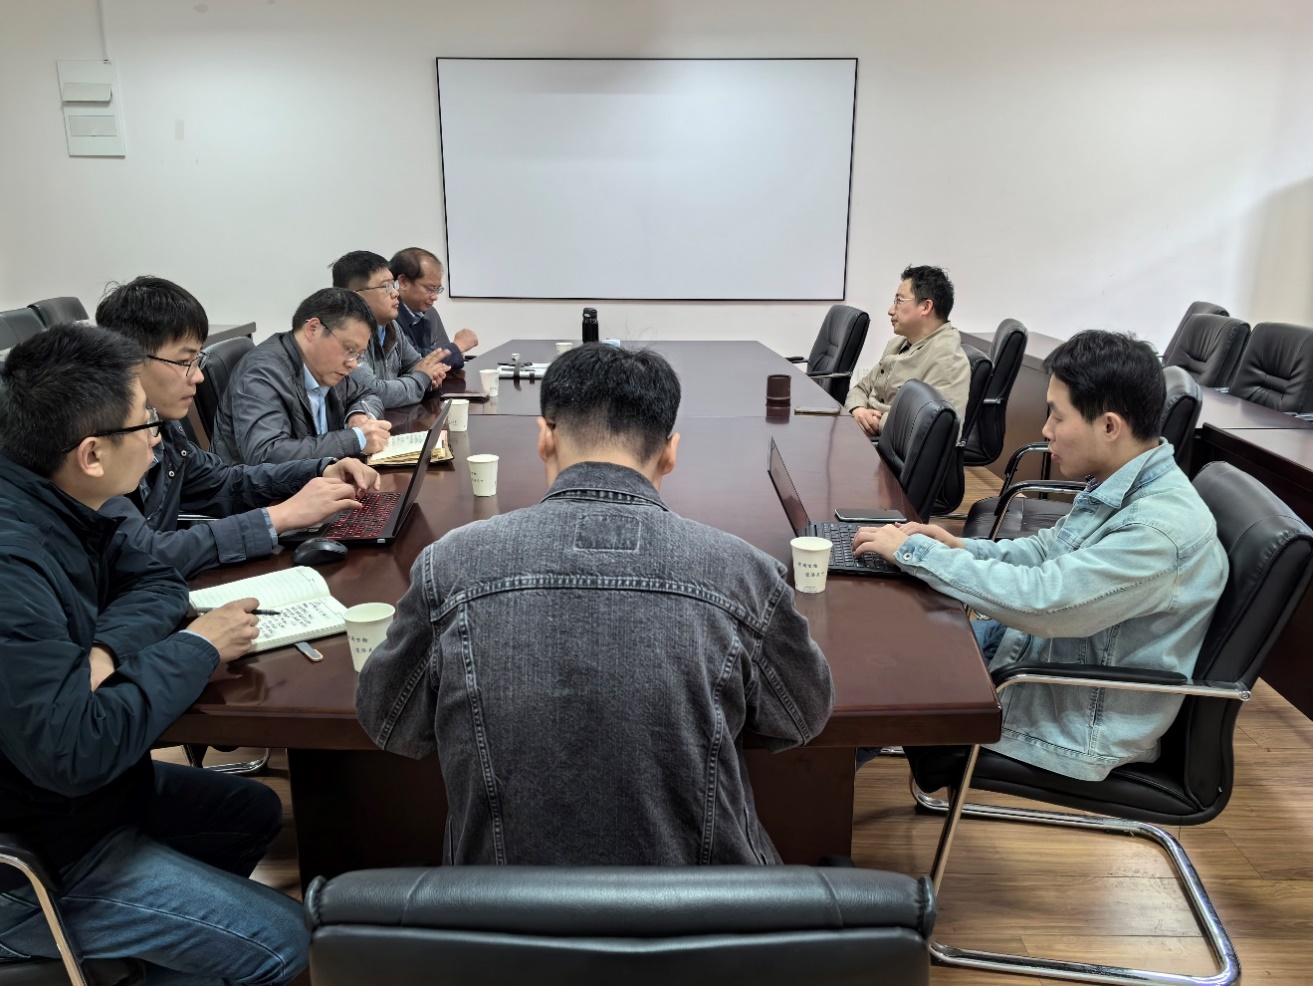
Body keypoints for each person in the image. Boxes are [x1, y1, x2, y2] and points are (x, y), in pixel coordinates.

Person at [356, 344, 834, 865]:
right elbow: (802, 715)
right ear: (670, 453)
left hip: (498, 908)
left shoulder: (449, 565)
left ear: (544, 438)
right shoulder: (744, 573)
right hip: (705, 908)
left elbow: (389, 721)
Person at [0, 325, 307, 983]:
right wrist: (198, 646)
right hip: (34, 857)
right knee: (290, 943)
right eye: (145, 425)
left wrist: (105, 648)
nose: (159, 438)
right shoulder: (11, 561)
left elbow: (159, 581)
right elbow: (72, 751)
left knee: (247, 813)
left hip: (83, 802)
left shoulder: (67, 501)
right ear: (91, 453)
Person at [853, 330, 1227, 781]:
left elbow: (1044, 602)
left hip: (1065, 715)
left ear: (1110, 426)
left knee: (875, 677)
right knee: (881, 647)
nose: (1046, 430)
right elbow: (1048, 549)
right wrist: (958, 546)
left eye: (1057, 415)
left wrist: (917, 554)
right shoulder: (1126, 479)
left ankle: (809, 792)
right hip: (1033, 655)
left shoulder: (1158, 531)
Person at [95, 276, 382, 578]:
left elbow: (223, 483)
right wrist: (281, 516)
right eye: (184, 361)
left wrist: (320, 469)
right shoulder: (100, 447)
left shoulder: (163, 428)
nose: (198, 376)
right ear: (130, 361)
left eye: (197, 360)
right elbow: (142, 556)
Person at [212, 287, 392, 464]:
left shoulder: (327, 368)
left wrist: (358, 414)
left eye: (358, 355)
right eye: (349, 349)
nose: (353, 364)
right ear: (313, 329)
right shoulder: (262, 373)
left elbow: (367, 394)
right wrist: (355, 439)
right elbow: (265, 454)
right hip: (263, 484)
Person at [844, 265, 971, 436]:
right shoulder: (897, 344)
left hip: (885, 445)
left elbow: (931, 429)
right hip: (865, 432)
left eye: (899, 301)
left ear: (925, 307)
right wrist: (858, 410)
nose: (890, 310)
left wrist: (876, 422)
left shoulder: (947, 360)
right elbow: (862, 388)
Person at [330, 250, 450, 408]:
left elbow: (416, 365)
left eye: (393, 285)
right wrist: (422, 379)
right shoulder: (342, 334)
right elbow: (373, 392)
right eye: (386, 287)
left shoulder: (390, 326)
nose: (395, 293)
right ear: (356, 296)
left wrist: (431, 376)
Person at [391, 246, 478, 367]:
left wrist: (454, 351)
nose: (435, 297)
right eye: (430, 289)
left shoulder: (430, 313)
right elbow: (413, 362)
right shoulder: (388, 316)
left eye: (437, 290)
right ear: (403, 282)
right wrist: (458, 346)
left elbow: (445, 360)